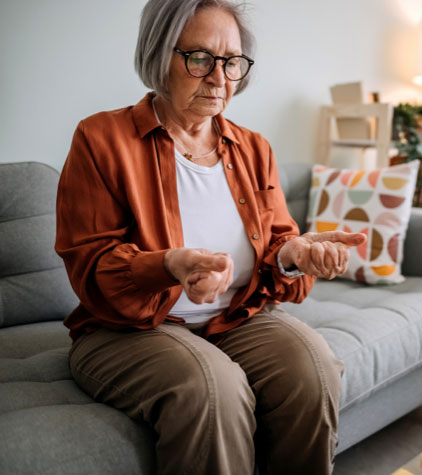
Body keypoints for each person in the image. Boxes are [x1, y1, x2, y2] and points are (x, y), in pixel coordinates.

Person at [55, 1, 366, 474]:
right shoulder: (100, 138)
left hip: (234, 317)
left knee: (313, 366)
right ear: (161, 55)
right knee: (213, 387)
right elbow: (91, 266)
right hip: (128, 330)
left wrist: (296, 255)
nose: (220, 77)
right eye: (200, 58)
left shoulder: (253, 147)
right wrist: (169, 266)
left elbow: (278, 244)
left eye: (233, 62)